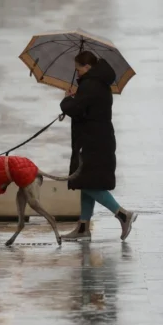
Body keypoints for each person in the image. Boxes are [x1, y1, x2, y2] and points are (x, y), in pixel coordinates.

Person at [59, 51, 137, 241]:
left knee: (88, 182)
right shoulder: (98, 83)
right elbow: (86, 107)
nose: (76, 73)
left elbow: (76, 108)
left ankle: (122, 214)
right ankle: (83, 228)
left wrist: (67, 100)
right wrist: (77, 96)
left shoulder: (91, 84)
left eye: (78, 69)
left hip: (92, 141)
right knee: (87, 182)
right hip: (98, 138)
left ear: (87, 67)